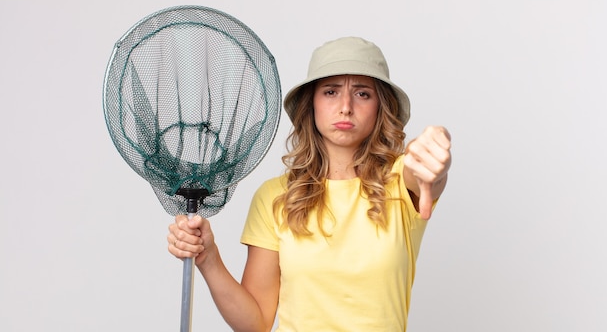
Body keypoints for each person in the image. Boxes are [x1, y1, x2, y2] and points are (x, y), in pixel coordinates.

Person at [167, 36, 452, 331]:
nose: (345, 106)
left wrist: (435, 150)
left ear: (381, 106)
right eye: (330, 92)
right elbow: (256, 323)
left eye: (363, 94)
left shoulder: (399, 182)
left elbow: (425, 170)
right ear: (311, 104)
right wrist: (208, 257)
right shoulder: (274, 196)